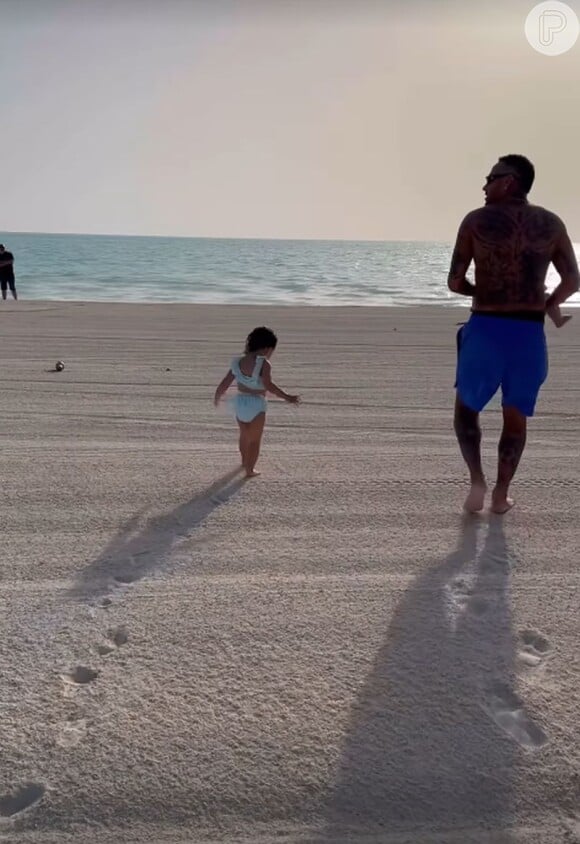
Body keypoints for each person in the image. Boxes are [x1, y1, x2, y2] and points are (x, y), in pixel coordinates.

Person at [448, 154, 579, 514]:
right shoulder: (551, 224)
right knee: (515, 415)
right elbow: (573, 280)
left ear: (510, 182)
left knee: (466, 410)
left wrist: (484, 292)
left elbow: (455, 282)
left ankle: (477, 483)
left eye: (491, 178)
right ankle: (501, 495)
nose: (485, 186)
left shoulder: (476, 221)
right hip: (528, 335)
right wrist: (547, 302)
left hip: (487, 329)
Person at [213, 326, 300, 477]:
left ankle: (244, 461)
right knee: (255, 440)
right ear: (267, 348)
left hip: (240, 402)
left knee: (244, 435)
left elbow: (225, 382)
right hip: (257, 404)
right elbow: (269, 386)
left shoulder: (237, 362)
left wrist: (218, 395)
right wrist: (287, 397)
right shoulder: (264, 364)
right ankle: (250, 469)